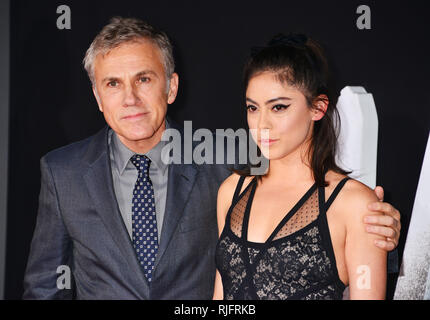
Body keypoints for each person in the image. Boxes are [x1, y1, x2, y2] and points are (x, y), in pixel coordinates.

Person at [23, 18, 400, 299]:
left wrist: (382, 234)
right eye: (113, 84)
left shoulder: (226, 164)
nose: (130, 99)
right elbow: (44, 286)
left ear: (171, 87)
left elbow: (322, 229)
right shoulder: (63, 172)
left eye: (144, 79)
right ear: (97, 96)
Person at [214, 34, 394, 300]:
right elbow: (221, 292)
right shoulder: (232, 190)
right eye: (253, 108)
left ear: (318, 108)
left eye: (278, 107)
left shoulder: (354, 204)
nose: (262, 124)